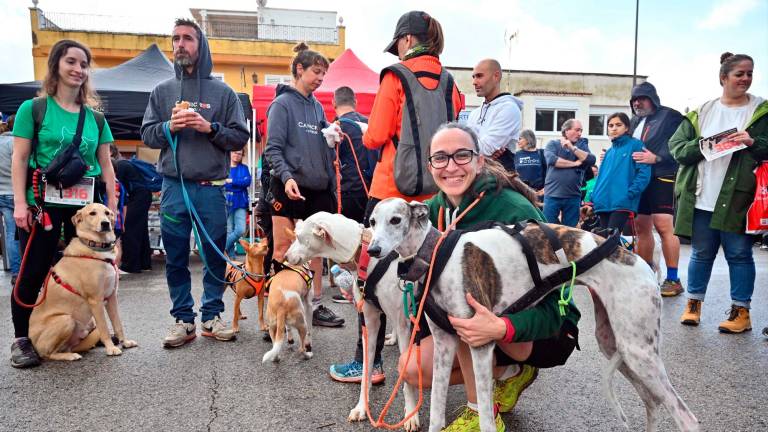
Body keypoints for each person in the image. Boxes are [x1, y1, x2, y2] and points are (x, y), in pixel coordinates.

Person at [398, 123, 580, 431]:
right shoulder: (432, 211)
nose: (451, 166)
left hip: (548, 329)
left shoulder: (515, 211)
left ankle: (480, 412)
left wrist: (502, 327)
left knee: (468, 318)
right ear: (430, 166)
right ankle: (510, 372)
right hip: (478, 320)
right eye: (440, 158)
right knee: (411, 369)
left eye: (462, 155)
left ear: (480, 160)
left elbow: (557, 302)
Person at [329, 10, 463, 385]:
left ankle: (367, 364)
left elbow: (374, 136)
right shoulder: (451, 81)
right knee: (428, 282)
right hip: (433, 199)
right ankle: (424, 365)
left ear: (405, 41)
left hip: (390, 192)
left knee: (369, 283)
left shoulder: (396, 76)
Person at [9, 39, 118, 368]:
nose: (78, 69)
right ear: (56, 64)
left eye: (84, 64)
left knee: (92, 275)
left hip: (86, 205)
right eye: (71, 61)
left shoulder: (96, 119)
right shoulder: (34, 109)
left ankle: (82, 332)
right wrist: (19, 204)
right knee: (33, 272)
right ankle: (22, 339)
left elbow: (107, 165)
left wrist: (112, 207)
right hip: (43, 204)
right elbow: (21, 157)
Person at [141, 19, 249, 347]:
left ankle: (212, 316)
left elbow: (240, 135)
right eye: (175, 39)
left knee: (214, 256)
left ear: (200, 46)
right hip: (174, 187)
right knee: (175, 255)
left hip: (212, 188)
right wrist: (168, 127)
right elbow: (146, 134)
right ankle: (183, 320)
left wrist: (210, 128)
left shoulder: (223, 92)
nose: (180, 44)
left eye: (187, 38)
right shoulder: (161, 92)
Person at [671, 52, 767, 334]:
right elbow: (677, 148)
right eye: (740, 74)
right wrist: (704, 145)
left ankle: (741, 312)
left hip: (740, 198)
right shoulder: (702, 112)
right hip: (702, 196)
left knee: (739, 254)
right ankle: (693, 305)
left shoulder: (762, 111)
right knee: (701, 254)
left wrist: (753, 141)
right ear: (723, 77)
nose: (746, 79)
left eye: (750, 73)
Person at [263, 42, 344, 328]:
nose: (321, 78)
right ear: (299, 70)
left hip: (318, 187)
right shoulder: (281, 104)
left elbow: (320, 143)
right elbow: (272, 149)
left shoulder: (317, 106)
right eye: (316, 72)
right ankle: (276, 309)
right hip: (287, 184)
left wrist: (332, 138)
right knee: (283, 246)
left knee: (317, 249)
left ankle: (314, 305)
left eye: (324, 73)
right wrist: (287, 177)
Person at [629, 82, 685, 296]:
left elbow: (681, 144)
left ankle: (673, 279)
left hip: (663, 176)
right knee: (641, 226)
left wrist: (658, 157)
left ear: (652, 98)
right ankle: (646, 276)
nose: (637, 102)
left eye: (641, 98)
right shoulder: (635, 121)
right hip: (641, 179)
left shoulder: (671, 116)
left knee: (664, 227)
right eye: (634, 99)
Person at [591, 112, 651, 232]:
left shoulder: (636, 145)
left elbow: (644, 173)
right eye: (611, 125)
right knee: (605, 241)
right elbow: (601, 176)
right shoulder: (608, 152)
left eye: (618, 125)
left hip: (622, 202)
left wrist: (630, 194)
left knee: (611, 238)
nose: (614, 128)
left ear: (627, 127)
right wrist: (595, 195)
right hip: (602, 202)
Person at [466, 59, 523, 171]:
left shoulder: (509, 108)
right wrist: (485, 156)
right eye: (473, 77)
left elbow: (486, 148)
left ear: (496, 76)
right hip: (476, 176)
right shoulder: (474, 113)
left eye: (479, 76)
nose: (474, 82)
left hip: (500, 179)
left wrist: (473, 152)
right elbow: (466, 146)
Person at [331, 86, 376, 224]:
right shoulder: (370, 123)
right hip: (372, 191)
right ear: (355, 102)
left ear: (334, 103)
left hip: (346, 193)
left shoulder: (336, 128)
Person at [543, 119, 596, 226]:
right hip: (552, 195)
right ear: (566, 131)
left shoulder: (581, 145)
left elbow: (591, 160)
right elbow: (552, 160)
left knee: (571, 232)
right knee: (548, 229)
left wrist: (572, 148)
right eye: (577, 130)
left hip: (573, 197)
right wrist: (575, 164)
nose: (580, 133)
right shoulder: (553, 144)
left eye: (581, 130)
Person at [110, 145, 152, 274]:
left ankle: (130, 265)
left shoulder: (119, 165)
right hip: (143, 196)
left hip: (136, 198)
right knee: (141, 230)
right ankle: (144, 263)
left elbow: (116, 187)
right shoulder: (125, 163)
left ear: (110, 152)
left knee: (129, 229)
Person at [0, 115, 21, 287]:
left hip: (1, 193)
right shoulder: (17, 142)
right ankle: (21, 272)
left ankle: (16, 272)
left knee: (10, 234)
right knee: (19, 234)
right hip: (15, 193)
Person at [224, 149, 251, 257]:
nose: (237, 155)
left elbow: (247, 181)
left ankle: (223, 248)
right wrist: (238, 184)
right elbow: (222, 183)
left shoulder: (244, 168)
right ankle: (231, 259)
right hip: (226, 201)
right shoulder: (224, 167)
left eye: (239, 154)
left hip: (240, 202)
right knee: (229, 230)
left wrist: (231, 181)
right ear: (230, 153)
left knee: (240, 230)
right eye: (235, 152)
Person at [513, 129, 546, 197]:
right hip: (521, 194)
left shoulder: (542, 153)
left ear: (528, 139)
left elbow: (550, 173)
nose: (518, 141)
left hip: (539, 194)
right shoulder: (516, 155)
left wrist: (545, 189)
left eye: (520, 139)